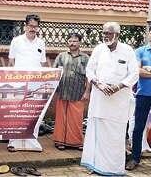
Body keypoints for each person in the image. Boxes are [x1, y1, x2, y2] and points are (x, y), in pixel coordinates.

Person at [81, 22, 139, 175]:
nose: (106, 36)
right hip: (99, 98)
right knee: (97, 131)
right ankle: (95, 165)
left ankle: (113, 169)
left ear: (117, 35)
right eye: (104, 33)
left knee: (115, 135)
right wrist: (98, 84)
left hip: (118, 100)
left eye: (109, 33)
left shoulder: (128, 51)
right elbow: (89, 70)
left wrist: (118, 87)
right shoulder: (99, 49)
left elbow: (134, 74)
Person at [126, 23, 151, 170]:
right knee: (138, 127)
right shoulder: (140, 51)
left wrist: (148, 70)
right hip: (142, 95)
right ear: (148, 34)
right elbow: (137, 72)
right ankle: (135, 158)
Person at [8, 14, 46, 152]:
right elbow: (11, 62)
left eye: (35, 26)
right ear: (25, 26)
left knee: (33, 112)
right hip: (19, 83)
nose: (33, 28)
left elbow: (43, 63)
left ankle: (32, 141)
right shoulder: (16, 41)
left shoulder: (41, 43)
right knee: (17, 112)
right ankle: (13, 141)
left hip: (35, 84)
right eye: (30, 26)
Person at [52, 33, 90, 150]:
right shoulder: (61, 56)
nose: (72, 43)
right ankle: (60, 142)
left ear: (79, 43)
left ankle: (76, 142)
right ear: (67, 42)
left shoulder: (85, 58)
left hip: (78, 92)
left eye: (75, 41)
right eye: (70, 41)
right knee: (61, 118)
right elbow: (54, 73)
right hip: (62, 91)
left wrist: (87, 91)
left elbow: (90, 76)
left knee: (76, 119)